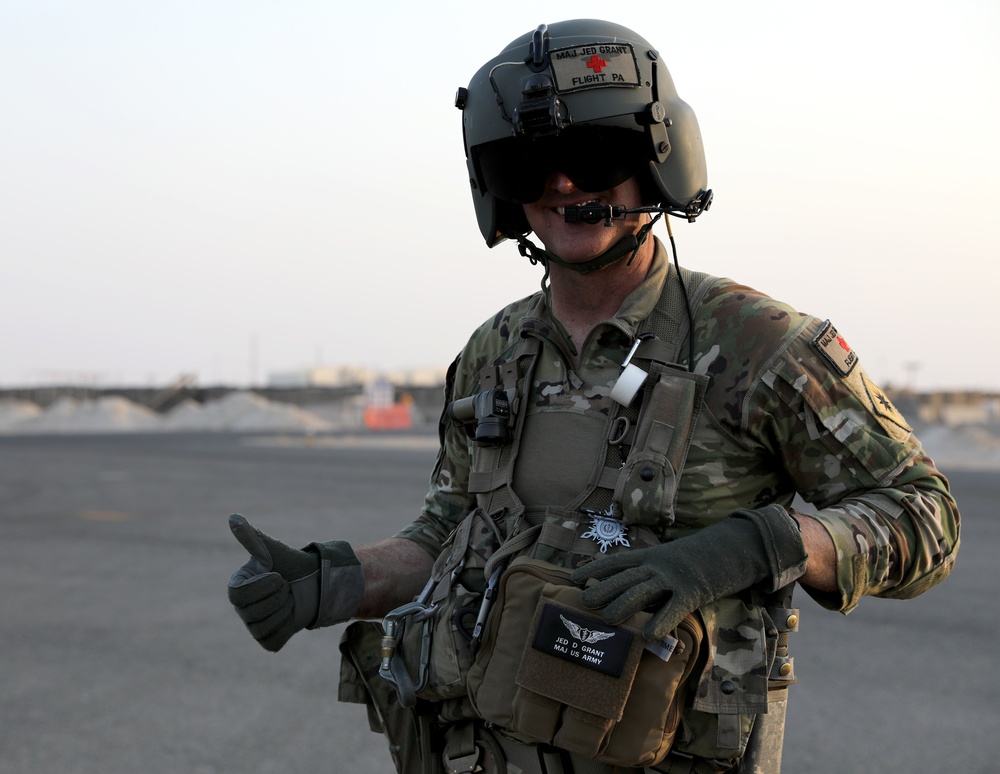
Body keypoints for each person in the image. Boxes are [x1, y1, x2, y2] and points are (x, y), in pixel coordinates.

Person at [226, 19, 960, 774]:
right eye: (525, 166)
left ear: (660, 160)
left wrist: (759, 547)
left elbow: (924, 515)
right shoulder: (492, 351)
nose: (563, 186)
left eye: (593, 155)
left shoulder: (757, 342)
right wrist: (336, 580)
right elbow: (450, 533)